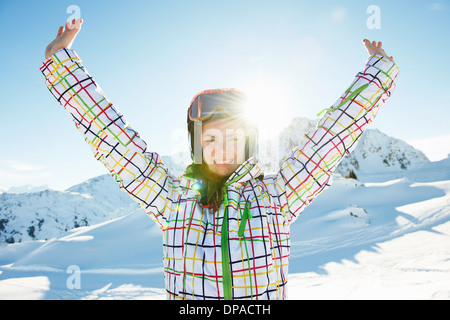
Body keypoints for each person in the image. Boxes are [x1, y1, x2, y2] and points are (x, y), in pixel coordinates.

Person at [41, 18, 399, 300]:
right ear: (198, 145)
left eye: (234, 136)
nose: (223, 146)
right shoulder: (173, 200)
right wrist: (62, 64)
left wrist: (377, 71)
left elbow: (330, 139)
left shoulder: (277, 197)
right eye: (211, 138)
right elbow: (115, 140)